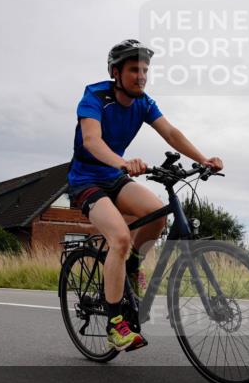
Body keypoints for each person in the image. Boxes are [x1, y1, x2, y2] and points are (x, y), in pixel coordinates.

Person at [68, 39, 223, 352]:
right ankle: (116, 324)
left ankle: (131, 268)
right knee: (120, 238)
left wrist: (203, 158)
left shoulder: (144, 103)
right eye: (134, 70)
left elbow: (171, 133)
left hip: (115, 177)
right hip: (86, 180)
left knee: (158, 213)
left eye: (145, 70)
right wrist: (123, 162)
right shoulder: (95, 96)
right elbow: (91, 141)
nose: (141, 76)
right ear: (116, 72)